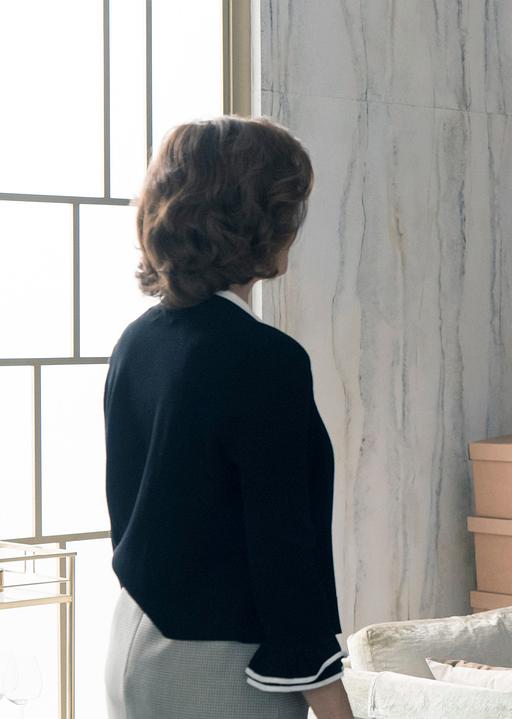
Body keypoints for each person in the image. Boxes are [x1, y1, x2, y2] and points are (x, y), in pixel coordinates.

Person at [103, 116, 352, 719]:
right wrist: (335, 705)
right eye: (290, 206)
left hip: (133, 640)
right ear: (259, 219)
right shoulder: (263, 359)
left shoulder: (138, 342)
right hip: (218, 665)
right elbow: (282, 553)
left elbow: (133, 514)